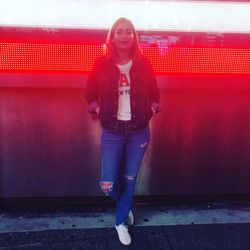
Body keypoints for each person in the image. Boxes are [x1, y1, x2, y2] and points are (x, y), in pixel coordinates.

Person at [85, 17, 161, 245]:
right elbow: (90, 92)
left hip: (138, 131)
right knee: (107, 185)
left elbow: (155, 93)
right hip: (113, 131)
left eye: (129, 31)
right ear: (112, 36)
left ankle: (120, 221)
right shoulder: (102, 63)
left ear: (134, 37)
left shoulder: (144, 64)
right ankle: (124, 205)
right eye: (120, 31)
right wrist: (96, 108)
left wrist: (153, 107)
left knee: (129, 180)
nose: (125, 35)